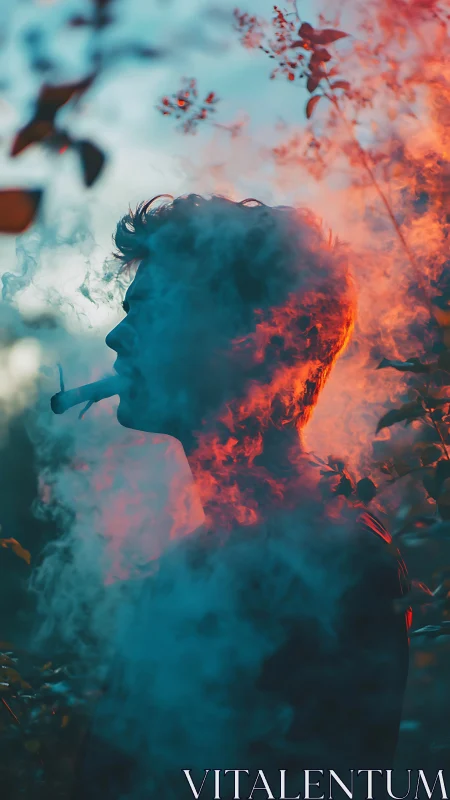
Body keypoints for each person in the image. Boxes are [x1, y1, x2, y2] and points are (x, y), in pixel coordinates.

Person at [72, 195, 411, 800]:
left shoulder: (340, 565)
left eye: (151, 311)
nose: (117, 337)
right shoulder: (183, 569)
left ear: (264, 340)